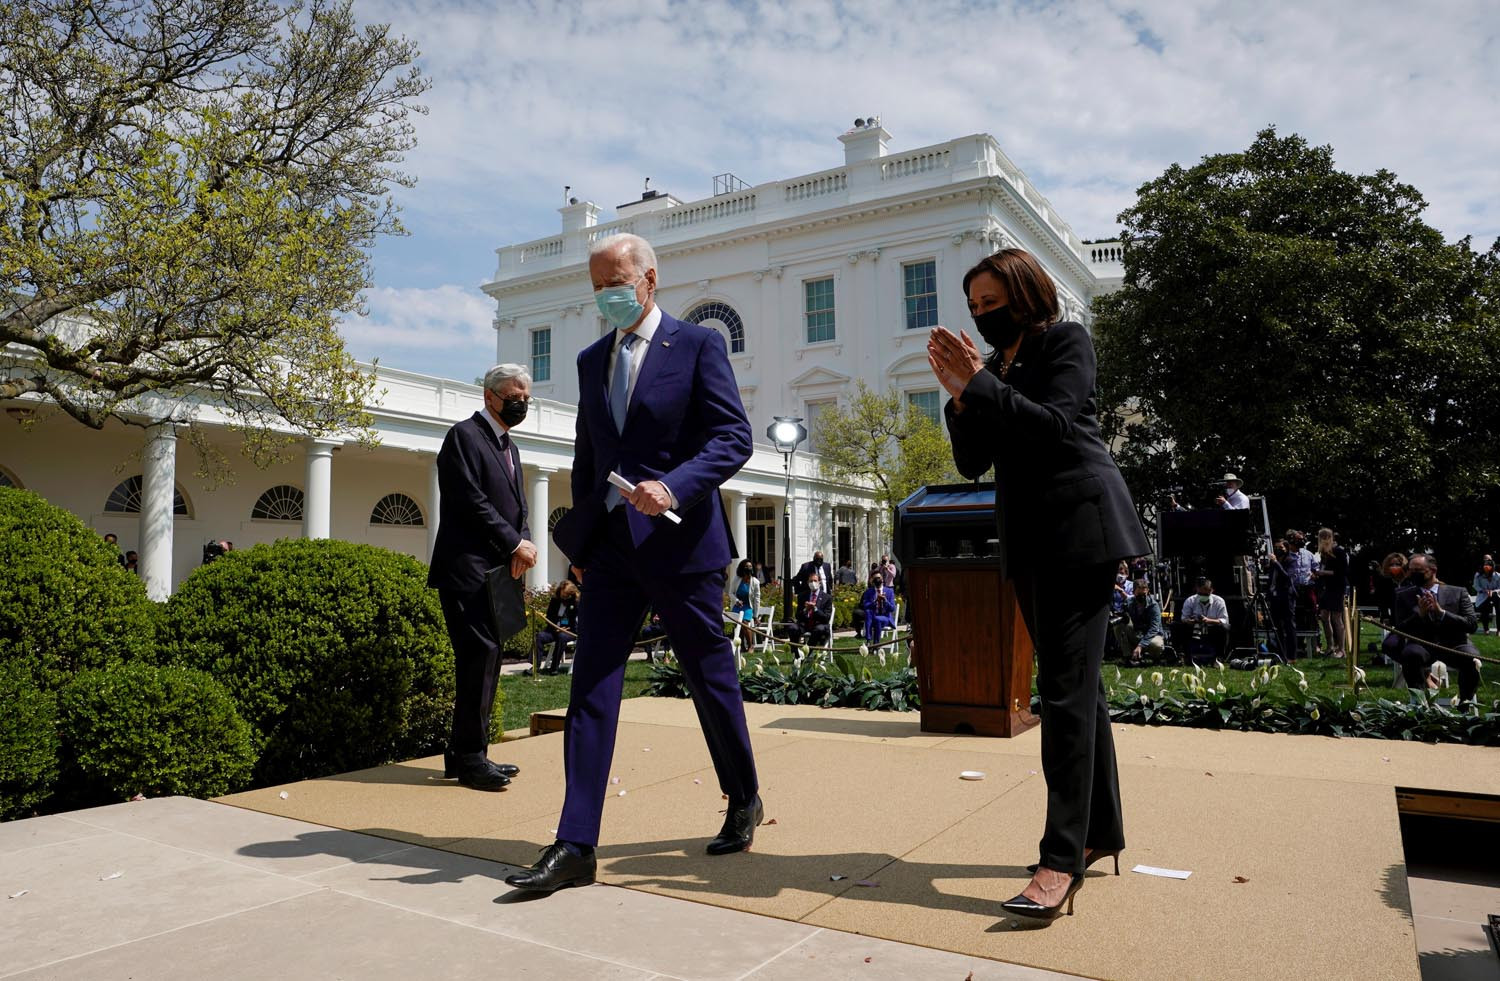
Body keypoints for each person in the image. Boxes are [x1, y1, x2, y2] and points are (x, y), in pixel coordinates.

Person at [508, 234, 761, 894]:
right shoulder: (594, 359)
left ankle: (743, 795)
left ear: (649, 278)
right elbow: (588, 458)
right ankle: (575, 843)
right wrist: (584, 544)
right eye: (596, 285)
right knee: (589, 686)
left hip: (682, 544)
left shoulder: (700, 345)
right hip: (615, 551)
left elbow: (734, 437)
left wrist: (674, 484)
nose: (606, 294)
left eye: (616, 279)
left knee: (710, 680)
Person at [929, 247, 1148, 924]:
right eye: (973, 307)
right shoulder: (995, 368)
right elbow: (973, 462)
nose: (982, 315)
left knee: (1062, 695)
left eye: (991, 303)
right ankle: (1097, 832)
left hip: (1081, 529)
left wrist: (983, 385)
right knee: (1079, 687)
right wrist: (962, 396)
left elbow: (1055, 426)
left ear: (1025, 294)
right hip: (1029, 538)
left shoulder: (1066, 342)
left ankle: (1060, 860)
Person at [426, 362, 536, 792]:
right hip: (466, 570)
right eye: (514, 396)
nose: (521, 403)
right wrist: (513, 543)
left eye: (526, 397)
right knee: (480, 656)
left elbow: (519, 508)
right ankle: (471, 758)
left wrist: (522, 544)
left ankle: (466, 755)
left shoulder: (510, 446)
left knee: (487, 658)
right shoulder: (463, 437)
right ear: (490, 396)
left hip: (497, 572)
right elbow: (471, 501)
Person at [1389, 554, 1481, 704]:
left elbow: (1471, 624)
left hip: (1454, 644)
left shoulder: (1458, 592)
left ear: (1432, 570)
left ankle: (1466, 702)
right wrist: (1419, 614)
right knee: (1410, 654)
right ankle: (1419, 703)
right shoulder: (1403, 595)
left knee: (1472, 658)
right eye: (1410, 570)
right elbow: (1400, 629)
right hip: (1422, 645)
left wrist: (1442, 613)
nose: (1412, 574)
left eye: (1418, 570)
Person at [1314, 528, 1349, 658]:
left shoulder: (1339, 552)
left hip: (1337, 588)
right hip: (1326, 588)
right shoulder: (1324, 553)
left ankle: (1341, 649)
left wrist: (1322, 573)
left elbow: (1342, 572)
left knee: (1336, 618)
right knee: (1324, 617)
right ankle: (1330, 646)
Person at [1113, 578, 1164, 666]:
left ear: (1147, 591)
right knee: (1118, 625)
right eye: (1139, 594)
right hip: (1137, 633)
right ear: (1133, 592)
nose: (1142, 597)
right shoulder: (1129, 602)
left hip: (1152, 636)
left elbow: (1154, 629)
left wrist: (1140, 645)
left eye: (1144, 594)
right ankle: (1128, 657)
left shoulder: (1154, 606)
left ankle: (1154, 657)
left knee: (1157, 644)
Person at [1178, 579, 1230, 663]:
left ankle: (1219, 657)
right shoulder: (1190, 601)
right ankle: (1183, 656)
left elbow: (1224, 620)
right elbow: (1184, 618)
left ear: (1212, 590)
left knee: (1224, 628)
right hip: (1194, 628)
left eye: (1206, 594)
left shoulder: (1219, 601)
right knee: (1180, 626)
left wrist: (1209, 620)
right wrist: (1191, 621)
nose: (1203, 596)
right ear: (1197, 590)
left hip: (1212, 629)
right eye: (1200, 593)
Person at [536, 580, 580, 674]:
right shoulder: (554, 600)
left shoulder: (576, 603)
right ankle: (535, 666)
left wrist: (566, 628)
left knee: (562, 637)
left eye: (567, 595)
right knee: (540, 636)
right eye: (563, 594)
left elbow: (578, 621)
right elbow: (549, 617)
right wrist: (555, 628)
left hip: (569, 632)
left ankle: (554, 668)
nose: (564, 597)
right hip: (553, 630)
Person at [1264, 541, 1298, 661]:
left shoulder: (1291, 561)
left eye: (1281, 547)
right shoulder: (1273, 562)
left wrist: (1276, 563)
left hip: (1286, 597)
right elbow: (1271, 580)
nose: (1278, 550)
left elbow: (1287, 577)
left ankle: (1292, 655)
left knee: (1289, 626)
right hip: (1274, 597)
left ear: (1286, 548)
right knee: (1277, 626)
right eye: (1276, 548)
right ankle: (1280, 654)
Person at [784, 569, 833, 647]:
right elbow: (798, 616)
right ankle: (796, 653)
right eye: (811, 581)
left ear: (819, 583)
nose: (813, 583)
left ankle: (807, 652)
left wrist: (815, 609)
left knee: (819, 629)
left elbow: (826, 618)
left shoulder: (827, 598)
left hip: (819, 624)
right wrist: (805, 610)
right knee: (792, 628)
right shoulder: (802, 596)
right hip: (805, 625)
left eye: (815, 581)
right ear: (807, 583)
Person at [728, 559, 761, 653]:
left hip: (748, 606)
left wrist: (756, 615)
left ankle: (751, 645)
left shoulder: (755, 582)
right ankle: (742, 646)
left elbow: (757, 599)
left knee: (745, 624)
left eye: (750, 566)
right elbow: (731, 593)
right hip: (737, 606)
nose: (748, 568)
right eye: (746, 566)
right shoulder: (736, 579)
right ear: (742, 568)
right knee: (737, 625)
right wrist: (737, 601)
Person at [860, 572, 897, 642]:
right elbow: (865, 606)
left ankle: (876, 645)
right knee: (868, 612)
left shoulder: (889, 591)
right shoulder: (868, 592)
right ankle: (868, 639)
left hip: (885, 617)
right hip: (872, 617)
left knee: (877, 619)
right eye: (875, 578)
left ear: (882, 579)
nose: (878, 580)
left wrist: (885, 600)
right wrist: (875, 601)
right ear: (873, 581)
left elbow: (892, 608)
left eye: (879, 578)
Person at [1472, 554, 1500, 635]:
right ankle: (1486, 629)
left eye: (1488, 561)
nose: (1486, 563)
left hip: (1496, 594)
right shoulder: (1478, 575)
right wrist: (1484, 590)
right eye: (1485, 561)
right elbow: (1476, 586)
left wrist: (1493, 591)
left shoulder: (1498, 575)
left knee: (1499, 608)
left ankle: (1499, 630)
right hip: (1484, 594)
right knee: (1484, 609)